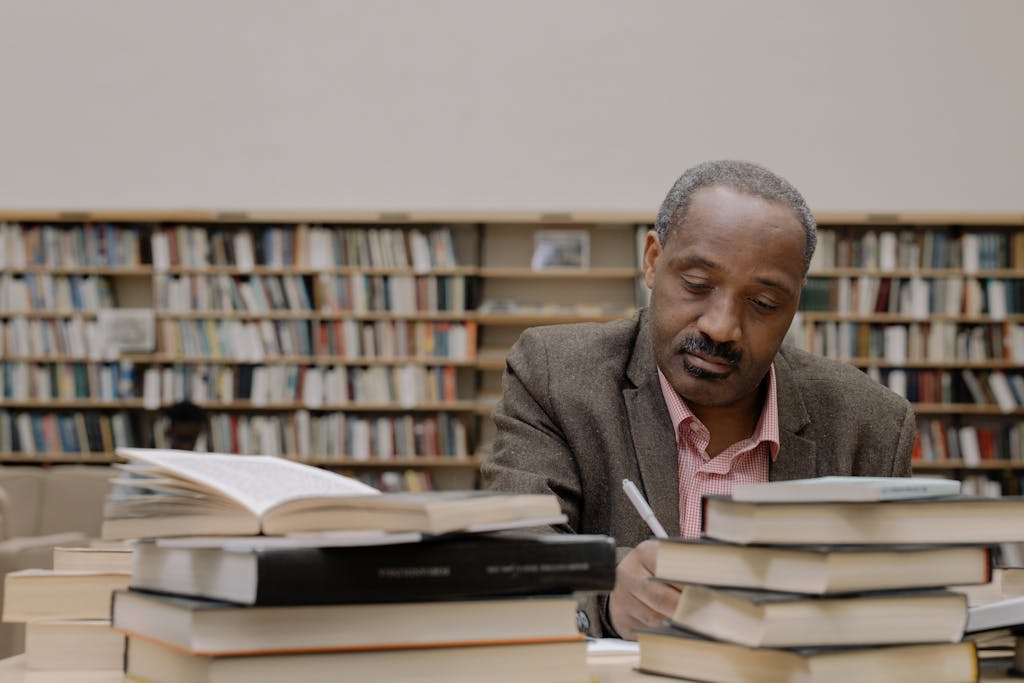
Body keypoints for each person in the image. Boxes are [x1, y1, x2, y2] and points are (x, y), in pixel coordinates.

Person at [481, 160, 915, 639]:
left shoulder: (871, 424)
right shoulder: (555, 374)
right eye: (697, 285)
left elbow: (897, 601)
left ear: (794, 305)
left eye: (764, 304)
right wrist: (606, 596)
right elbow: (515, 550)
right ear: (652, 260)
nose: (721, 326)